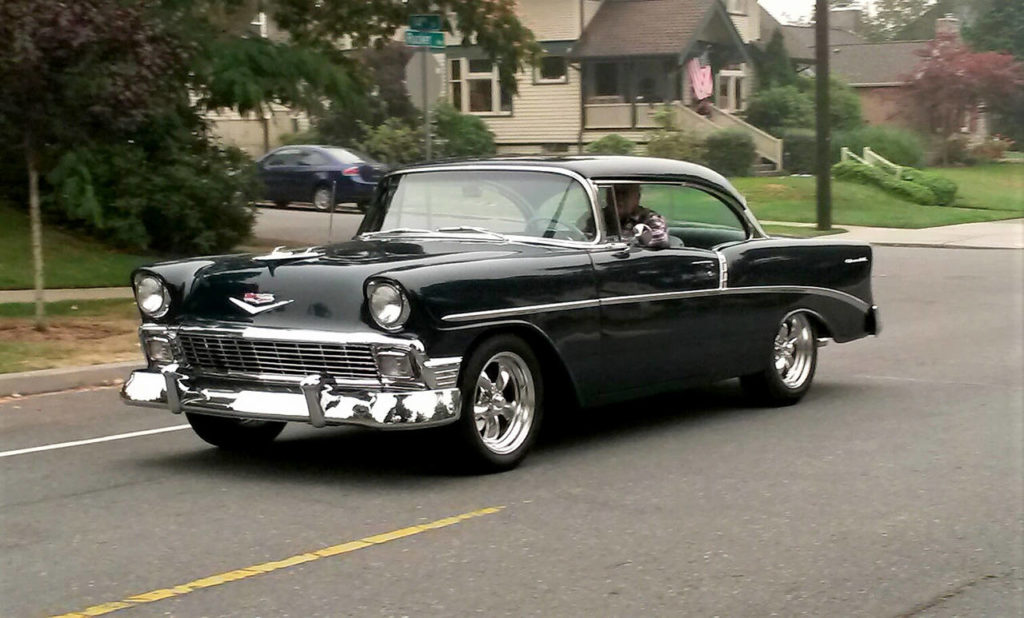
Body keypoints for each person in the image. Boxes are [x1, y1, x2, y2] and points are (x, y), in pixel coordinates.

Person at [612, 184, 670, 249]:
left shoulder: (651, 219)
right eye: (613, 193)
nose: (618, 198)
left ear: (637, 197)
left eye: (624, 194)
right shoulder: (600, 217)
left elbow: (659, 242)